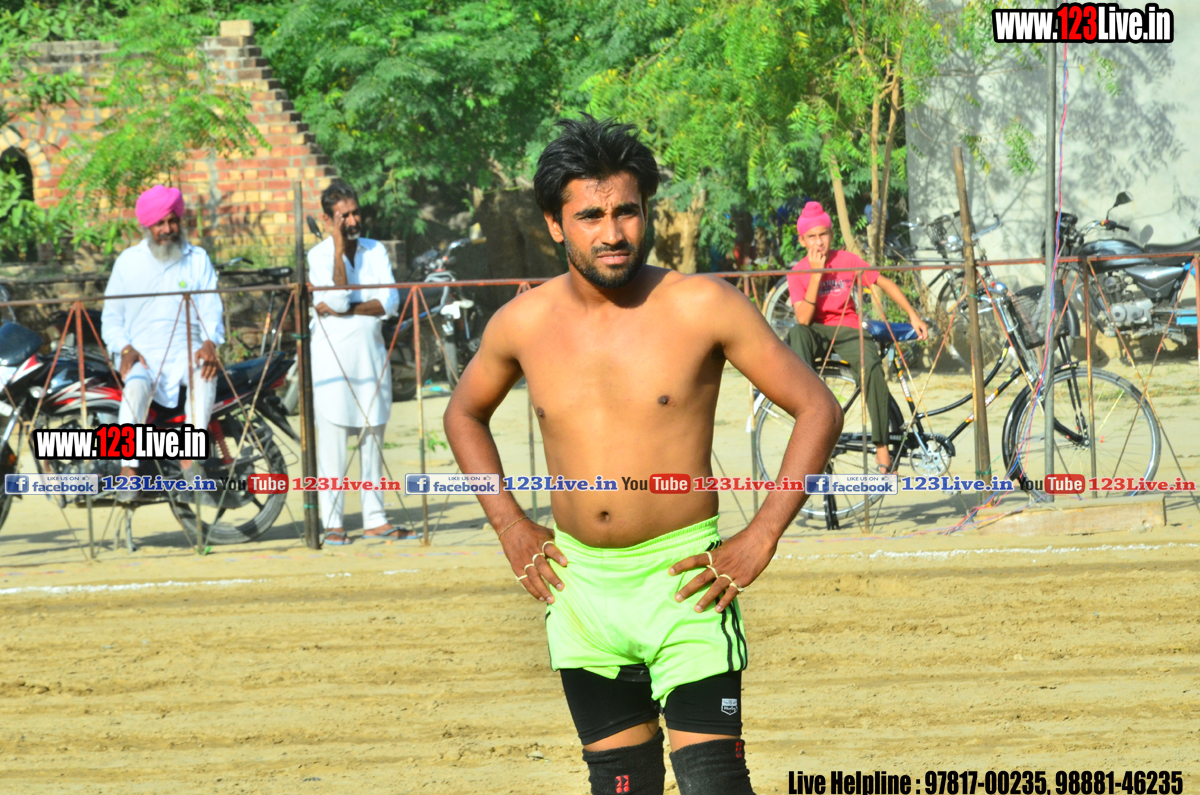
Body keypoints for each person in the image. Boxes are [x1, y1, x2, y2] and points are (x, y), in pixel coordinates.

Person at [442, 116, 843, 795]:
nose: (613, 232)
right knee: (621, 785)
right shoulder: (523, 323)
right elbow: (463, 414)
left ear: (647, 210)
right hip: (579, 591)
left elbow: (818, 408)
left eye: (626, 211)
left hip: (685, 583)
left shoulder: (701, 305)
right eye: (590, 215)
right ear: (555, 224)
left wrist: (761, 535)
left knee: (716, 783)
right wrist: (509, 524)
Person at [786, 201, 929, 473]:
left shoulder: (847, 260)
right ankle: (811, 417)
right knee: (796, 334)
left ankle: (882, 446)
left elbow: (883, 282)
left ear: (831, 235)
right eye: (812, 236)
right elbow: (803, 319)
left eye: (823, 234)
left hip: (848, 329)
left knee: (872, 367)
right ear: (802, 241)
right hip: (815, 331)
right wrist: (815, 275)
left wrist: (913, 315)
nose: (819, 241)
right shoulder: (797, 272)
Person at [307, 179, 412, 546]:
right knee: (333, 441)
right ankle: (333, 522)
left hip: (371, 357)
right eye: (344, 216)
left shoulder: (375, 249)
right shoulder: (319, 256)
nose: (352, 221)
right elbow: (335, 302)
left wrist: (346, 309)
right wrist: (338, 249)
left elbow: (389, 303)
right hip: (332, 360)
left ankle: (375, 519)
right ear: (327, 219)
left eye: (355, 213)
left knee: (373, 436)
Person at [101, 185, 223, 501]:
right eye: (160, 223)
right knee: (136, 385)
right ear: (147, 226)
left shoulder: (197, 259)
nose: (167, 229)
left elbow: (211, 308)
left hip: (188, 353)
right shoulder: (128, 262)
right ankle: (128, 470)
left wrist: (210, 342)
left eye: (172, 221)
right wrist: (125, 348)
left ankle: (190, 460)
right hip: (142, 356)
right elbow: (111, 319)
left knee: (204, 377)